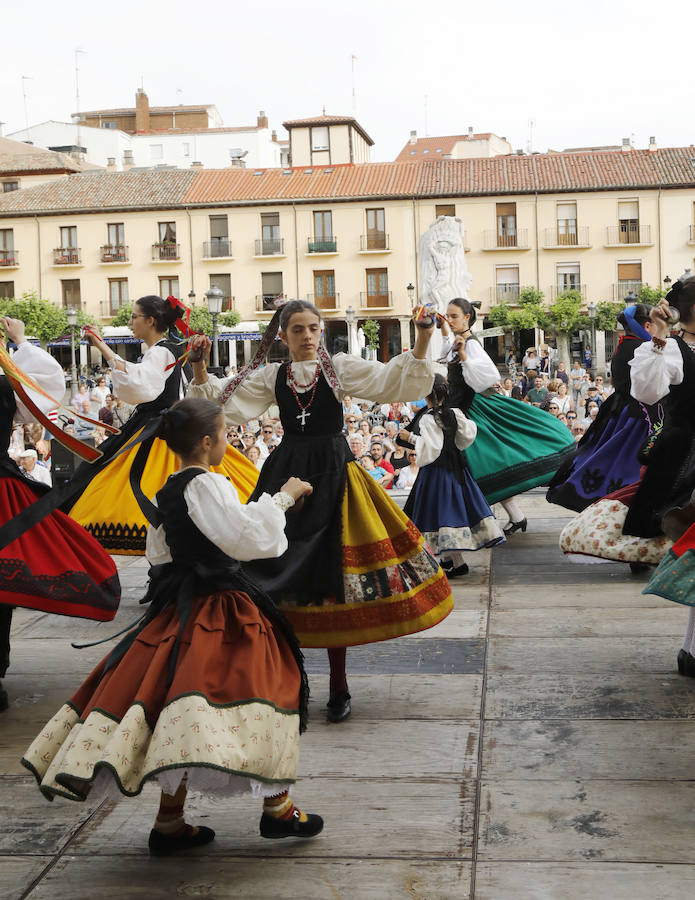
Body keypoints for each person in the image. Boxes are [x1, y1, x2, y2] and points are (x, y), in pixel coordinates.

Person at [22, 397, 324, 852]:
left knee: (181, 714)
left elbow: (160, 555)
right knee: (265, 692)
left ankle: (170, 823)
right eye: (223, 435)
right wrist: (285, 496)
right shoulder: (207, 484)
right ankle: (278, 809)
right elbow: (247, 538)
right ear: (207, 442)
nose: (226, 442)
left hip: (182, 610)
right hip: (221, 611)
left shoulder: (169, 487)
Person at [188, 299, 452, 724]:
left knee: (333, 580)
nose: (308, 336)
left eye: (313, 328)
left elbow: (392, 383)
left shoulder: (340, 368)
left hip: (335, 477)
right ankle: (284, 680)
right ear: (283, 335)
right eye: (297, 329)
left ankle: (339, 686)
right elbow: (222, 404)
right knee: (271, 573)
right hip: (287, 475)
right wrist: (200, 368)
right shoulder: (272, 377)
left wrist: (422, 335)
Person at [66, 296, 259, 554]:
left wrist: (101, 346)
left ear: (151, 321)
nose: (130, 322)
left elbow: (140, 384)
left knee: (115, 487)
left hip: (158, 431)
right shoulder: (170, 348)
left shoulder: (161, 351)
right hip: (169, 425)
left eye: (135, 317)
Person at [0, 317, 120, 712]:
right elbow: (45, 391)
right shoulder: (6, 385)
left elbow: (42, 393)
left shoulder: (5, 385)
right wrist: (20, 342)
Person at [439, 298, 575, 535]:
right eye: (447, 316)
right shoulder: (460, 342)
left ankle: (475, 525)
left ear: (467, 318)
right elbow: (445, 357)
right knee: (490, 465)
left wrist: (464, 357)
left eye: (453, 316)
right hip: (461, 408)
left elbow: (487, 377)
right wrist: (444, 332)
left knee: (482, 465)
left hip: (473, 409)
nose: (449, 320)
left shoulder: (470, 345)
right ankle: (516, 516)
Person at [548, 304, 660, 512]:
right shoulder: (641, 347)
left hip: (626, 409)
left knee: (611, 454)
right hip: (639, 412)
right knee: (626, 459)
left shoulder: (628, 344)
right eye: (655, 324)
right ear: (646, 325)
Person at [401, 375, 504, 577]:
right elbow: (467, 436)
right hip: (457, 467)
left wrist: (410, 437)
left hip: (436, 472)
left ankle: (453, 563)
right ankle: (455, 563)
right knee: (451, 511)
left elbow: (432, 447)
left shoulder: (428, 418)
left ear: (427, 394)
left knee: (439, 514)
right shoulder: (454, 413)